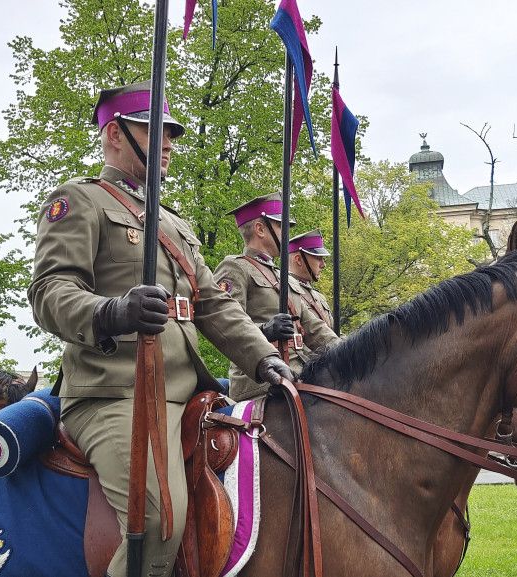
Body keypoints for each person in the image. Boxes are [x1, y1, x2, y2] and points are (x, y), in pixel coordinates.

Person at [28, 80, 292, 577]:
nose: (168, 143)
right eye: (154, 131)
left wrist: (265, 359)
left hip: (191, 392)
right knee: (157, 520)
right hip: (116, 394)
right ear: (114, 135)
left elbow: (213, 303)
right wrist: (111, 313)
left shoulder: (173, 224)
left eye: (170, 133)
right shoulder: (79, 200)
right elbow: (49, 291)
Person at [213, 195, 340, 401]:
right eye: (281, 226)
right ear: (260, 229)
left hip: (299, 373)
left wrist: (352, 351)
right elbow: (224, 323)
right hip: (261, 382)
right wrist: (265, 330)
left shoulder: (283, 278)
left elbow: (315, 330)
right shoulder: (235, 267)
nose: (287, 233)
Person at [287, 229, 334, 330]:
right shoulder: (285, 292)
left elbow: (334, 332)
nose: (323, 265)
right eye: (318, 258)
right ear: (298, 260)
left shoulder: (319, 297)